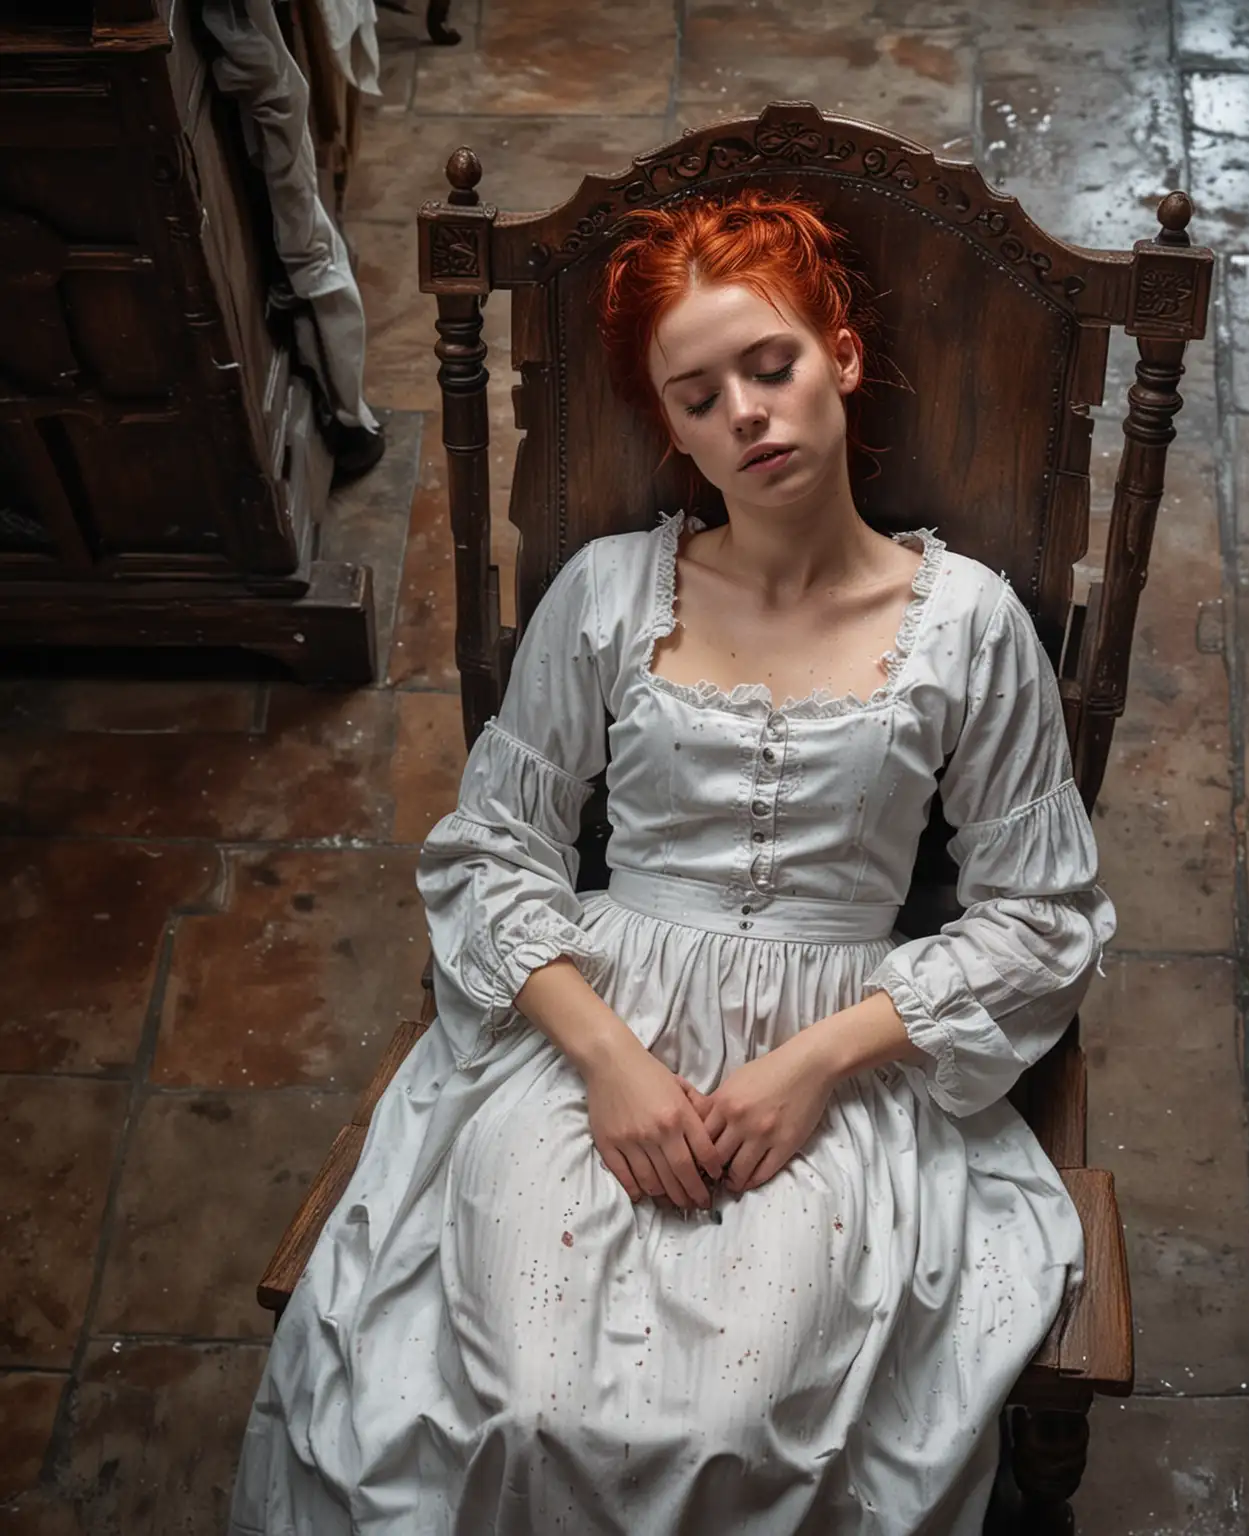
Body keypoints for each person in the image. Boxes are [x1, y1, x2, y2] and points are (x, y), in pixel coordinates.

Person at [230, 187, 1115, 1535]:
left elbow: (1040, 916)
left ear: (842, 357)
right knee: (520, 1401)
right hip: (597, 1023)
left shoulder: (969, 625)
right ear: (672, 424)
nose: (746, 416)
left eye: (773, 366)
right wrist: (610, 1061)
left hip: (839, 1049)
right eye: (697, 397)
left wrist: (817, 1063)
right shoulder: (607, 594)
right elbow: (493, 847)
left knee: (738, 1420)